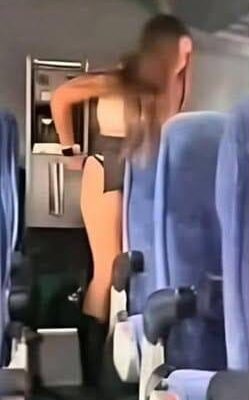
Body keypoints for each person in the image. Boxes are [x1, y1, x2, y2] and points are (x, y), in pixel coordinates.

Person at [51, 14, 193, 385]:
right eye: (182, 49)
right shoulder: (119, 80)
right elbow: (62, 97)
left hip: (146, 172)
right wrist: (69, 151)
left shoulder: (170, 87)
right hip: (108, 168)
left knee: (138, 272)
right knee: (107, 271)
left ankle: (124, 368)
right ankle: (92, 377)